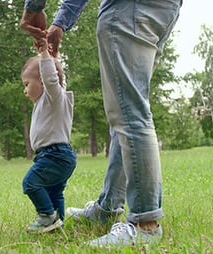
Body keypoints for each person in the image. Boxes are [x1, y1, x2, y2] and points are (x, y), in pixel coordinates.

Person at [21, 0, 182, 247]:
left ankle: (144, 225)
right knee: (125, 114)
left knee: (130, 114)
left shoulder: (51, 93)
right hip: (162, 9)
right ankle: (107, 209)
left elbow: (52, 80)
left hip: (129, 9)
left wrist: (34, 9)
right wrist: (61, 23)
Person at [21, 37, 77, 233]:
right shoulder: (48, 102)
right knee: (54, 192)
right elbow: (58, 74)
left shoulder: (54, 97)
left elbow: (52, 77)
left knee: (30, 183)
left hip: (55, 154)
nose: (25, 90)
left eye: (27, 84)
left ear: (43, 82)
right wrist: (54, 57)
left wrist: (44, 53)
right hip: (57, 156)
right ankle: (57, 224)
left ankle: (47, 216)